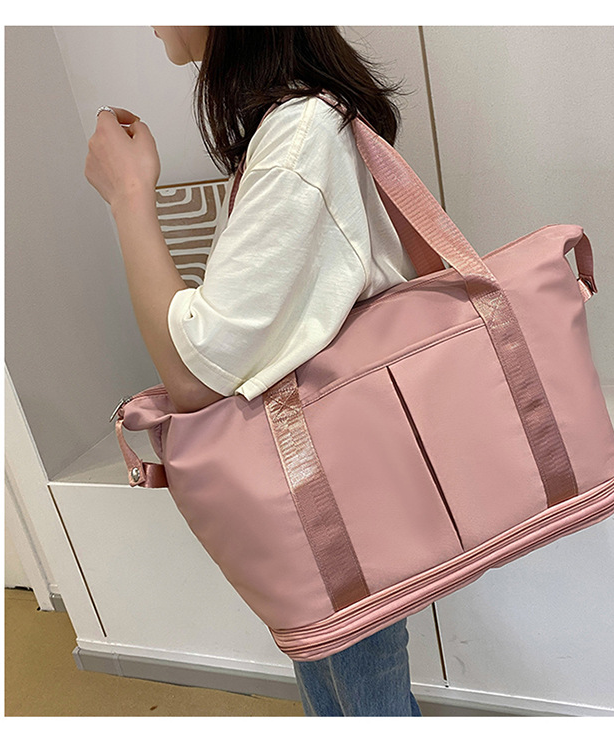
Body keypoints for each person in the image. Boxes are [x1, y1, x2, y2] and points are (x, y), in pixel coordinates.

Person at [84, 26, 423, 718]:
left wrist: (129, 196)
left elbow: (196, 374)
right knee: (343, 684)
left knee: (363, 701)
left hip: (336, 484)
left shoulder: (300, 132)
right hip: (340, 469)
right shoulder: (299, 123)